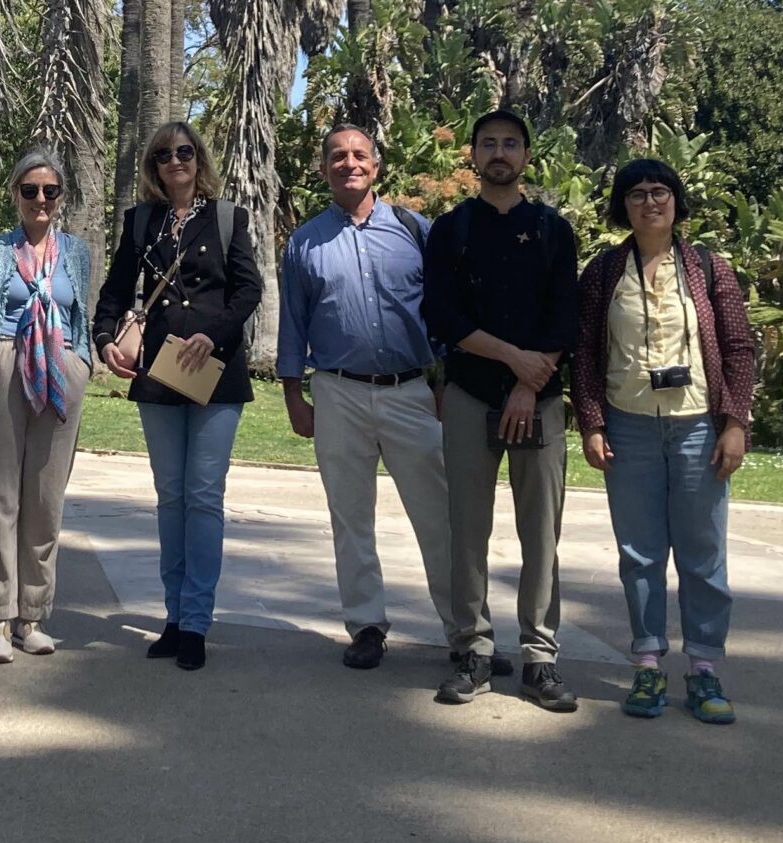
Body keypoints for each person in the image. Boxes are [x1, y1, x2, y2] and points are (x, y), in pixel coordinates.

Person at [572, 155, 761, 725]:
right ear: (622, 206)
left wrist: (734, 423)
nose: (649, 202)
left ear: (676, 202)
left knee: (703, 555)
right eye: (636, 194)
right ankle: (649, 664)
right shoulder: (603, 273)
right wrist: (592, 422)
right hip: (627, 426)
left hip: (698, 425)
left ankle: (703, 669)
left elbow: (740, 348)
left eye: (659, 192)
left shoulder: (709, 269)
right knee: (640, 554)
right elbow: (582, 353)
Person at [277, 123, 464, 671]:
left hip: (411, 391)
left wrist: (444, 384)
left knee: (438, 517)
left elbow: (444, 315)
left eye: (359, 154)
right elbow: (293, 323)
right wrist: (294, 394)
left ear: (376, 166)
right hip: (337, 393)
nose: (349, 163)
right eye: (337, 156)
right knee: (351, 519)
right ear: (323, 169)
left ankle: (464, 631)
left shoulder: (415, 229)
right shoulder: (305, 242)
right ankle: (365, 626)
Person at [421, 109, 583, 712]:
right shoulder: (451, 229)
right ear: (473, 154)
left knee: (540, 533)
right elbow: (444, 317)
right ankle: (473, 650)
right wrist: (514, 360)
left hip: (538, 400)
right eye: (488, 142)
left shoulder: (551, 230)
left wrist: (527, 380)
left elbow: (565, 314)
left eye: (510, 144)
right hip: (468, 395)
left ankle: (540, 657)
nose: (499, 153)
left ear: (525, 155)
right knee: (468, 528)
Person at [92, 121, 262, 671]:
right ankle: (172, 615)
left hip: (214, 369)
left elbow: (248, 288)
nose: (175, 161)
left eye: (184, 152)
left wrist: (214, 332)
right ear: (153, 166)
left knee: (204, 496)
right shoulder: (142, 221)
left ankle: (196, 622)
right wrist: (104, 340)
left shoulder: (227, 217)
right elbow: (115, 290)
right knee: (171, 496)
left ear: (199, 159)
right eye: (163, 154)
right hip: (160, 373)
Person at [0, 146, 94, 665]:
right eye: (29, 190)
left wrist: (83, 363)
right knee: (1, 499)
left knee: (45, 500)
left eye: (49, 191)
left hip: (59, 376)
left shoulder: (75, 253)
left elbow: (83, 314)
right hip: (1, 369)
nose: (40, 199)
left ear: (61, 198)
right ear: (14, 194)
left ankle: (32, 613)